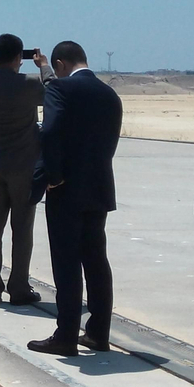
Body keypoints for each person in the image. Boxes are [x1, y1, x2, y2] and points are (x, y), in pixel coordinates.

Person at [28, 40, 123, 357]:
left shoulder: (61, 89)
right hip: (98, 187)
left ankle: (66, 335)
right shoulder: (110, 95)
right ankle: (98, 333)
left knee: (67, 263)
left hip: (66, 190)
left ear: (60, 64)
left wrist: (54, 176)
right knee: (96, 261)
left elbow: (50, 132)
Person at [0, 33, 50, 305]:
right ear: (19, 57)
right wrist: (44, 66)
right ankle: (19, 287)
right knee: (22, 229)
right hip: (24, 167)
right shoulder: (29, 85)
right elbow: (54, 91)